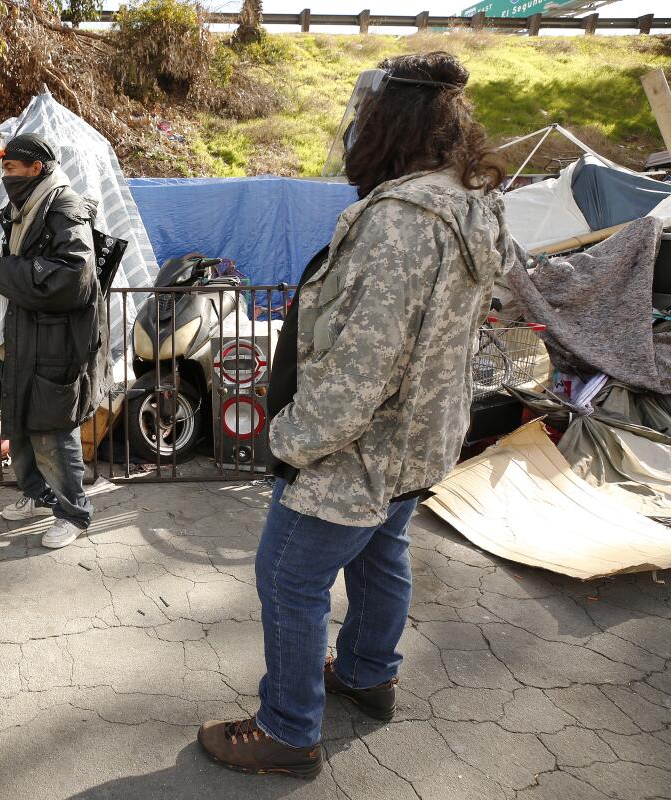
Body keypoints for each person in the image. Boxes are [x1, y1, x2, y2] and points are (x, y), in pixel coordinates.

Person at [197, 51, 513, 777]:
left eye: (365, 117)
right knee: (381, 553)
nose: (355, 129)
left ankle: (288, 729)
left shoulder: (400, 222)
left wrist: (288, 440)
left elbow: (360, 371)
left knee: (288, 577)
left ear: (389, 123)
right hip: (419, 444)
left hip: (358, 454)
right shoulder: (471, 202)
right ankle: (371, 675)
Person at [0, 133, 109, 549]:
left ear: (36, 168)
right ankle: (37, 494)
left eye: (11, 168)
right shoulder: (23, 208)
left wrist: (1, 272)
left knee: (53, 430)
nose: (5, 177)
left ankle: (73, 513)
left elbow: (72, 277)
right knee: (19, 424)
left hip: (55, 343)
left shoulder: (64, 207)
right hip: (23, 338)